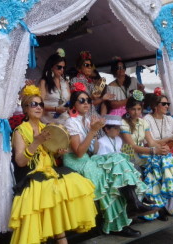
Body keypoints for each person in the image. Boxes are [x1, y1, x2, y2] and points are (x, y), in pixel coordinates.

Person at [63, 83, 157, 238]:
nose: (86, 103)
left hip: (90, 159)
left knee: (118, 163)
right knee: (113, 171)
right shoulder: (70, 122)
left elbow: (93, 150)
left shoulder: (86, 121)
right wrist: (94, 130)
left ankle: (132, 207)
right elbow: (79, 153)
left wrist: (95, 133)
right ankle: (132, 207)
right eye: (81, 101)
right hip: (77, 163)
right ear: (74, 104)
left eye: (88, 100)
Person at [9, 85, 97, 244]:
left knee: (78, 183)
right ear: (25, 109)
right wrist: (36, 142)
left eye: (40, 104)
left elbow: (51, 152)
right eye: (34, 104)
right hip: (31, 175)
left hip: (50, 171)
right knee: (53, 190)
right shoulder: (19, 131)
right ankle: (60, 240)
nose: (38, 107)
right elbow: (20, 161)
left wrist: (58, 152)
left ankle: (60, 238)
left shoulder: (46, 127)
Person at [120, 92, 173, 216]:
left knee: (166, 159)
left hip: (142, 153)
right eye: (133, 109)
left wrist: (163, 147)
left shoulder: (143, 122)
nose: (136, 112)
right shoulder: (123, 123)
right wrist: (156, 150)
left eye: (139, 109)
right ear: (127, 109)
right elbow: (132, 147)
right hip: (127, 156)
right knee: (160, 162)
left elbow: (152, 141)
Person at [70, 51, 114, 117]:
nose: (90, 67)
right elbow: (81, 102)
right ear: (79, 68)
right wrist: (101, 99)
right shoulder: (76, 80)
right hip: (81, 115)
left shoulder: (90, 83)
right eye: (86, 65)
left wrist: (102, 98)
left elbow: (93, 103)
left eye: (91, 65)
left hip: (92, 114)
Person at [39, 48, 70, 125]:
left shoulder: (65, 82)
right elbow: (39, 104)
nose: (62, 70)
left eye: (64, 67)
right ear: (51, 67)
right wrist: (55, 109)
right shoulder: (44, 82)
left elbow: (69, 101)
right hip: (48, 122)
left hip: (65, 121)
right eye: (59, 67)